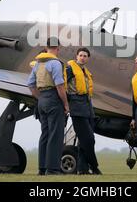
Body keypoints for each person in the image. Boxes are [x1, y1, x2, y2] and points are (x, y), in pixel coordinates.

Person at [27, 37, 69, 175]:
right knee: (55, 135)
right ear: (58, 48)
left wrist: (40, 98)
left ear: (46, 47)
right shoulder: (55, 63)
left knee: (45, 134)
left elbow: (31, 84)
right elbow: (59, 85)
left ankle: (42, 168)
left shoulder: (38, 63)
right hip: (53, 99)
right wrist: (65, 104)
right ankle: (52, 169)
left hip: (42, 100)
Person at [66, 47, 101, 175]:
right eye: (80, 55)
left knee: (83, 140)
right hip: (76, 106)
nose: (82, 57)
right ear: (76, 56)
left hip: (87, 106)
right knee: (89, 139)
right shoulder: (69, 69)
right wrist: (67, 103)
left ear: (88, 58)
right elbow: (63, 86)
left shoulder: (85, 71)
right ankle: (95, 167)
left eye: (85, 56)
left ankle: (82, 169)